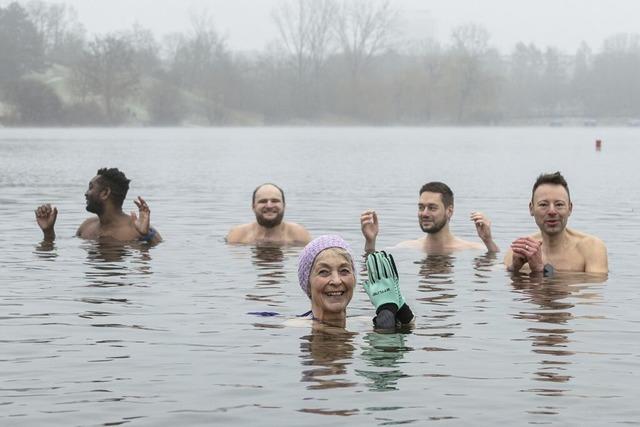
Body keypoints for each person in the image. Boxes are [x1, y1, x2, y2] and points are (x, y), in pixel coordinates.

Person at [296, 235, 414, 330]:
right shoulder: (295, 328)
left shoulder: (364, 323)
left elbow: (411, 333)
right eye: (324, 272)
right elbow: (385, 354)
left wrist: (398, 305)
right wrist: (386, 312)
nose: (337, 281)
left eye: (344, 271)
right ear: (307, 283)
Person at [504, 172, 608, 274]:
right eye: (543, 204)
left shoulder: (592, 248)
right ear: (531, 209)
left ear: (570, 209)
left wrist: (540, 270)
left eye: (559, 204)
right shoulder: (520, 250)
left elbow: (594, 288)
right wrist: (513, 269)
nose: (552, 211)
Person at [361, 181, 499, 253]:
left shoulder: (473, 249)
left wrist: (488, 240)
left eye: (432, 208)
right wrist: (370, 241)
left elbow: (498, 266)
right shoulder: (407, 247)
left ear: (449, 211)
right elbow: (372, 264)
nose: (424, 213)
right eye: (421, 207)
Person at [34, 167, 161, 244]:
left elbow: (146, 275)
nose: (85, 193)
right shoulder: (86, 226)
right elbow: (52, 253)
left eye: (90, 188)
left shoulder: (138, 230)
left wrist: (146, 236)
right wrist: (48, 232)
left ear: (105, 193)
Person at [226, 183, 311, 245]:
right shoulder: (237, 236)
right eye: (263, 201)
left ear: (284, 206)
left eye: (275, 201)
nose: (269, 205)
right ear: (253, 206)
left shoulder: (300, 235)